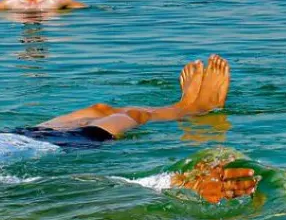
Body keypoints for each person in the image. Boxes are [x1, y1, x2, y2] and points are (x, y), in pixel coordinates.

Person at [2, 54, 258, 203]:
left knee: (99, 108)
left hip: (17, 135)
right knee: (134, 115)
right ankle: (193, 106)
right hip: (61, 143)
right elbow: (60, 184)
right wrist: (176, 182)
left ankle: (185, 105)